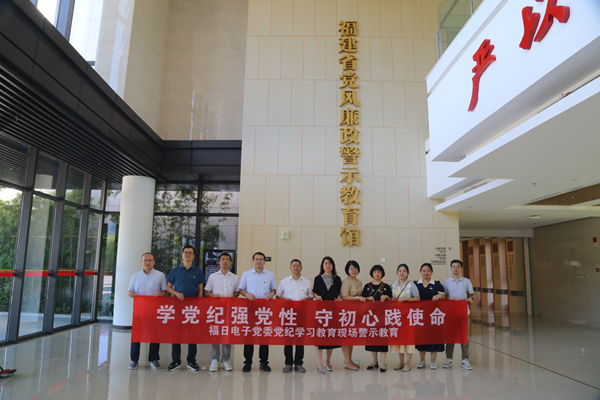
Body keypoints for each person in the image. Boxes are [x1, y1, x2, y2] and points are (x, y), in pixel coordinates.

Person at [165, 245, 205, 372]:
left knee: (192, 335)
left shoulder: (198, 271)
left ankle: (191, 361)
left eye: (190, 253)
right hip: (177, 307)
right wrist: (176, 293)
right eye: (186, 252)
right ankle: (176, 361)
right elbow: (168, 287)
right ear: (182, 255)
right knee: (176, 334)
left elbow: (200, 289)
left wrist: (199, 303)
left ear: (193, 256)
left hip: (192, 308)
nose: (187, 254)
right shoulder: (175, 271)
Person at [128, 252, 167, 370]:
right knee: (136, 336)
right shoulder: (135, 276)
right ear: (141, 262)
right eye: (145, 260)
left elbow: (164, 291)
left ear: (154, 262)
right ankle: (134, 360)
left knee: (154, 335)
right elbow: (130, 290)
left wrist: (161, 294)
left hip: (154, 310)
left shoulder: (160, 275)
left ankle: (154, 359)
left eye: (150, 260)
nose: (147, 262)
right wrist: (130, 293)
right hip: (139, 311)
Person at [238, 251, 277, 372]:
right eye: (256, 259)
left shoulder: (270, 274)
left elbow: (274, 289)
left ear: (264, 262)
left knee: (264, 336)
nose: (258, 261)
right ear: (253, 261)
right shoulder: (246, 274)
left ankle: (264, 362)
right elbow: (241, 289)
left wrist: (271, 294)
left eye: (261, 259)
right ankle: (247, 362)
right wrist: (247, 294)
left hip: (265, 310)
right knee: (249, 336)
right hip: (250, 309)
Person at [276, 259, 313, 373]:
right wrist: (285, 299)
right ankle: (288, 363)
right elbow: (278, 296)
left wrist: (306, 299)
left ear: (301, 268)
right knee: (288, 338)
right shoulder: (284, 281)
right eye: (293, 266)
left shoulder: (306, 282)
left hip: (302, 313)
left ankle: (298, 363)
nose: (295, 267)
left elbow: (311, 297)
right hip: (288, 313)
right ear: (290, 268)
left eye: (298, 266)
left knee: (300, 338)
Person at [205, 252, 239, 372]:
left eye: (227, 259)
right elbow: (207, 292)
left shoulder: (234, 277)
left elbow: (237, 292)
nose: (225, 261)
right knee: (215, 332)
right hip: (216, 310)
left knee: (227, 333)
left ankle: (225, 359)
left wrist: (234, 295)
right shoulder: (213, 276)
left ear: (230, 262)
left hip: (229, 310)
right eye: (223, 259)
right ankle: (214, 359)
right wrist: (214, 296)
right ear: (219, 262)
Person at [442, 259, 474, 370]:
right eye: (453, 266)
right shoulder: (446, 282)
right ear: (451, 268)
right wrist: (449, 298)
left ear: (461, 268)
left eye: (457, 266)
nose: (455, 268)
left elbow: (472, 294)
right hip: (451, 313)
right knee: (450, 336)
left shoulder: (466, 281)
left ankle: (465, 359)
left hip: (464, 312)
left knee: (464, 336)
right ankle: (449, 358)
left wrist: (471, 298)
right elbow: (444, 297)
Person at [312, 256, 342, 374]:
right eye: (325, 263)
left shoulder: (337, 279)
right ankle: (319, 364)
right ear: (322, 266)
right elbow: (314, 292)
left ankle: (327, 361)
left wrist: (339, 298)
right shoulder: (318, 278)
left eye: (330, 263)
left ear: (333, 265)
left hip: (333, 311)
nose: (328, 265)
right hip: (320, 311)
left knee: (330, 336)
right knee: (319, 337)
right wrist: (317, 296)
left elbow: (339, 293)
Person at [415, 263, 446, 370]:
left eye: (428, 270)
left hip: (434, 317)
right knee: (422, 339)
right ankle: (422, 360)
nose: (426, 273)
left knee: (434, 338)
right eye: (424, 270)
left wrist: (438, 296)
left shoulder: (436, 284)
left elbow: (443, 295)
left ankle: (433, 361)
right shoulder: (416, 284)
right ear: (420, 272)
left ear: (431, 272)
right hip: (420, 317)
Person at [389, 263, 420, 372]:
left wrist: (407, 299)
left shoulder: (411, 285)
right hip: (397, 316)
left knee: (409, 340)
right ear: (397, 273)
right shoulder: (393, 285)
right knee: (399, 339)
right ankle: (401, 362)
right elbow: (391, 299)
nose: (402, 273)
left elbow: (417, 298)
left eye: (404, 271)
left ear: (407, 273)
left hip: (408, 316)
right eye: (400, 271)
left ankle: (408, 363)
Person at [362, 265, 392, 372]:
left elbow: (392, 300)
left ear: (382, 273)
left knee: (383, 338)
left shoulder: (386, 286)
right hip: (371, 317)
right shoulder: (367, 286)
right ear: (372, 273)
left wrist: (387, 297)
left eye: (379, 271)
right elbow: (362, 300)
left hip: (383, 317)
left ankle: (383, 362)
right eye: (375, 272)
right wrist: (367, 298)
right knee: (372, 338)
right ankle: (374, 361)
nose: (377, 274)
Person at [340, 260, 365, 371]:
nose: (354, 270)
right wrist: (357, 298)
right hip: (346, 313)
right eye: (351, 268)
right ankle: (347, 361)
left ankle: (349, 360)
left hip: (356, 313)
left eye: (355, 268)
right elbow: (344, 297)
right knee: (346, 337)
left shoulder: (359, 281)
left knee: (351, 336)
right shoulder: (346, 281)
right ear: (347, 270)